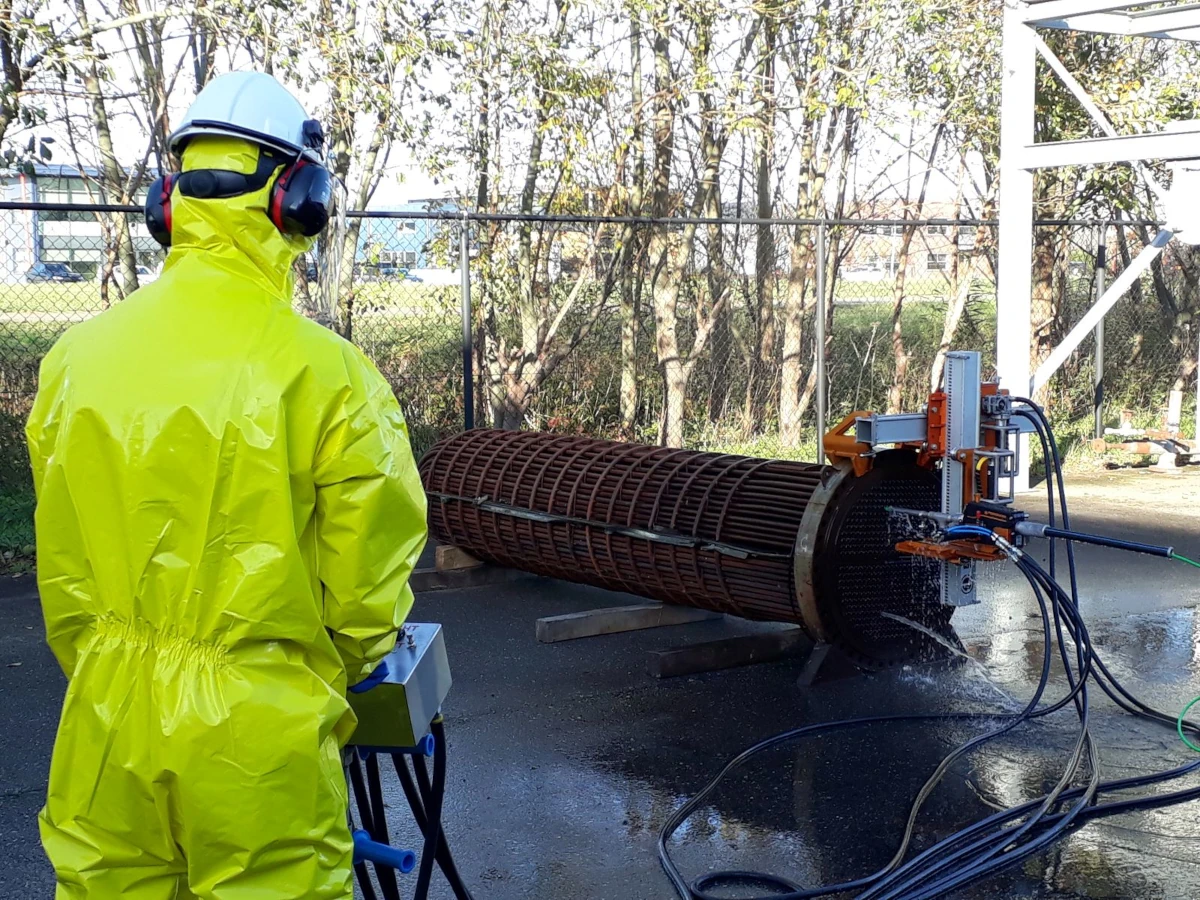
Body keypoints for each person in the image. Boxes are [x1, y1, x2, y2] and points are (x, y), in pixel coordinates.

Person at [26, 71, 428, 899]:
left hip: (104, 720)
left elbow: (64, 572)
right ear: (298, 200)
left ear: (169, 204)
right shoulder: (330, 377)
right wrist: (322, 677)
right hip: (257, 737)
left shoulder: (73, 363)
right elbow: (366, 594)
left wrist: (111, 663)